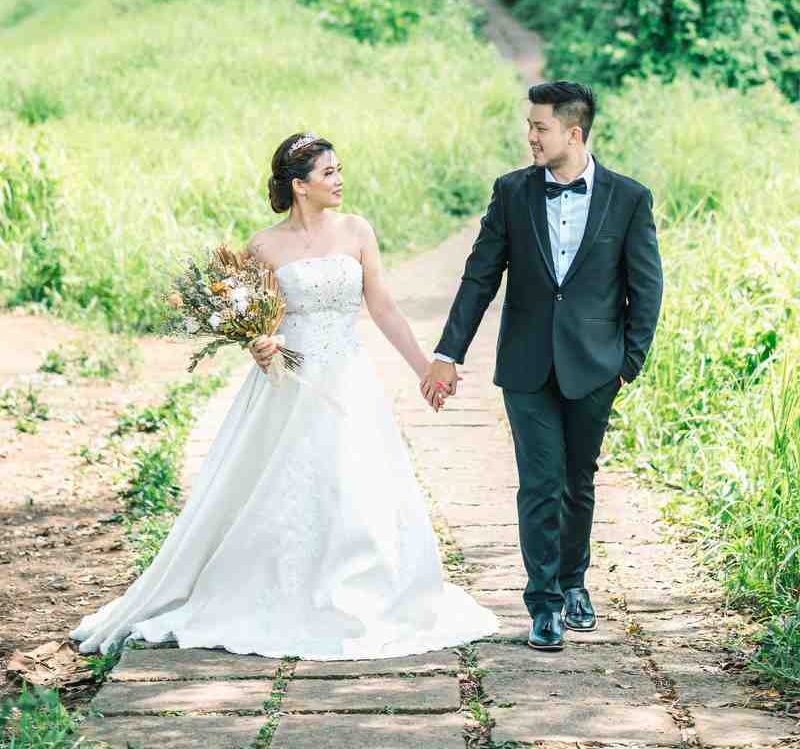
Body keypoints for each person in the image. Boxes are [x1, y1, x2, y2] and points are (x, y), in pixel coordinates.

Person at [70, 132, 497, 660]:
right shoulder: (264, 247)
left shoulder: (357, 231)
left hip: (348, 378)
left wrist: (424, 368)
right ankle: (274, 585)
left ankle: (364, 591)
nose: (339, 180)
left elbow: (383, 306)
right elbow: (260, 320)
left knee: (357, 480)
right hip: (288, 382)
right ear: (299, 185)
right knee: (283, 482)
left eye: (340, 170)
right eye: (328, 173)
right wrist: (258, 343)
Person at [420, 81, 663, 651]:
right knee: (540, 482)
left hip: (596, 366)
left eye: (540, 127)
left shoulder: (629, 198)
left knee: (578, 481)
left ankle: (574, 582)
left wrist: (626, 363)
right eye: (530, 126)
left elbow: (647, 287)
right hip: (526, 365)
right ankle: (544, 603)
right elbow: (480, 276)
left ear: (573, 134)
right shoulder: (511, 192)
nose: (530, 136)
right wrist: (447, 353)